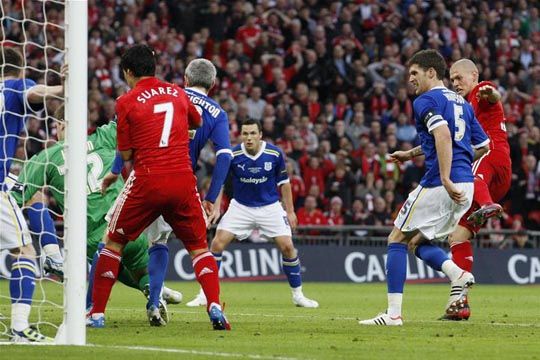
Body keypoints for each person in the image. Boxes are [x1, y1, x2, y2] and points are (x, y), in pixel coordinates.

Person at [87, 44, 230, 330]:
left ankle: (97, 313)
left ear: (128, 72)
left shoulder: (126, 101)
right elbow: (197, 120)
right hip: (183, 181)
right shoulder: (176, 92)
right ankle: (214, 305)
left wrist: (116, 171)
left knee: (112, 242)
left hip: (148, 178)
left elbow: (126, 155)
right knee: (199, 248)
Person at [10, 104, 183, 323]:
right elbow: (128, 118)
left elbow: (16, 198)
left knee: (111, 263)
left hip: (93, 237)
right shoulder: (105, 137)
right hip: (128, 223)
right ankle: (154, 292)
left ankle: (94, 310)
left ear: (60, 125)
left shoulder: (46, 157)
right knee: (135, 265)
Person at [359, 49, 490, 326]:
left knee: (396, 239)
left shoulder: (425, 100)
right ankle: (458, 274)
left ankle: (393, 315)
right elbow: (482, 145)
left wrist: (445, 176)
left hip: (440, 184)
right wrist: (412, 155)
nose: (410, 80)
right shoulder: (462, 103)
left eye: (414, 73)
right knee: (419, 243)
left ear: (431, 72)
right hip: (464, 186)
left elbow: (442, 134)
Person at [187, 118, 319, 308]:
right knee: (216, 243)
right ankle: (204, 294)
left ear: (260, 135)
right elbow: (221, 182)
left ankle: (298, 295)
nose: (249, 138)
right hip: (241, 207)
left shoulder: (274, 153)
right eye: (245, 134)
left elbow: (285, 184)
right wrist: (216, 207)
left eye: (252, 133)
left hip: (270, 207)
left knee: (288, 246)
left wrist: (290, 212)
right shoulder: (233, 154)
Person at [440, 58, 512, 320]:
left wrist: (491, 93)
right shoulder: (461, 107)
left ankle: (486, 206)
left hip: (493, 160)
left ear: (473, 76)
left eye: (459, 77)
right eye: (452, 78)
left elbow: (493, 95)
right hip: (493, 182)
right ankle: (460, 303)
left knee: (471, 173)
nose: (455, 82)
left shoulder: (480, 91)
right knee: (457, 238)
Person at [0, 48, 64, 342]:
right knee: (24, 252)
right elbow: (37, 93)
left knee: (32, 196)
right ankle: (19, 328)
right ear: (19, 69)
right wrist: (65, 86)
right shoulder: (13, 86)